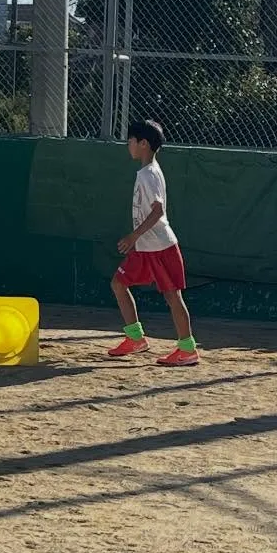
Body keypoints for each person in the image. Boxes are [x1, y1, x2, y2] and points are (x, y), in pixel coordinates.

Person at [106, 119, 199, 367]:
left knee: (172, 297)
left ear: (143, 144)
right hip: (145, 248)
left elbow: (158, 211)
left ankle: (188, 349)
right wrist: (137, 240)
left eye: (131, 141)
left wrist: (133, 236)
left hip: (160, 247)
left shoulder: (149, 174)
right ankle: (135, 339)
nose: (128, 145)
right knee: (118, 283)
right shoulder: (146, 172)